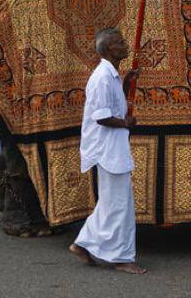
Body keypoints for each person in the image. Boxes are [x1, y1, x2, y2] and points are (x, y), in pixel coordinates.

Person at [69, 28, 146, 275]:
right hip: (107, 149)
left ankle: (83, 243)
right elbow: (102, 116)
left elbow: (112, 104)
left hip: (113, 147)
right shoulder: (102, 77)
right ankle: (121, 258)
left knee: (113, 202)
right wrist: (126, 123)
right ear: (108, 49)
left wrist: (126, 84)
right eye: (119, 42)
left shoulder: (111, 75)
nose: (125, 44)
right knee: (119, 205)